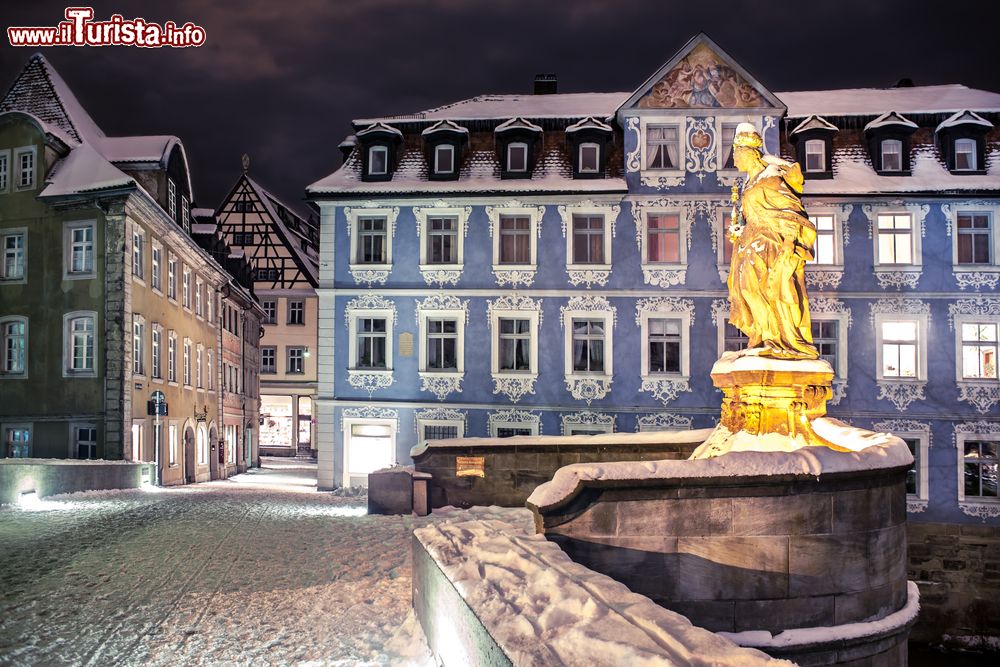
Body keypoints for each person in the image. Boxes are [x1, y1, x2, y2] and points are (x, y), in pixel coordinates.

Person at [727, 122, 819, 360]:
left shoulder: (770, 179)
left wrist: (789, 241)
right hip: (750, 244)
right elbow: (752, 216)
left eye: (736, 155)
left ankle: (777, 338)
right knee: (747, 290)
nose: (734, 161)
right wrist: (740, 231)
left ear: (748, 154)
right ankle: (762, 332)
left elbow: (791, 210)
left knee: (772, 290)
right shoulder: (750, 183)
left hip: (770, 244)